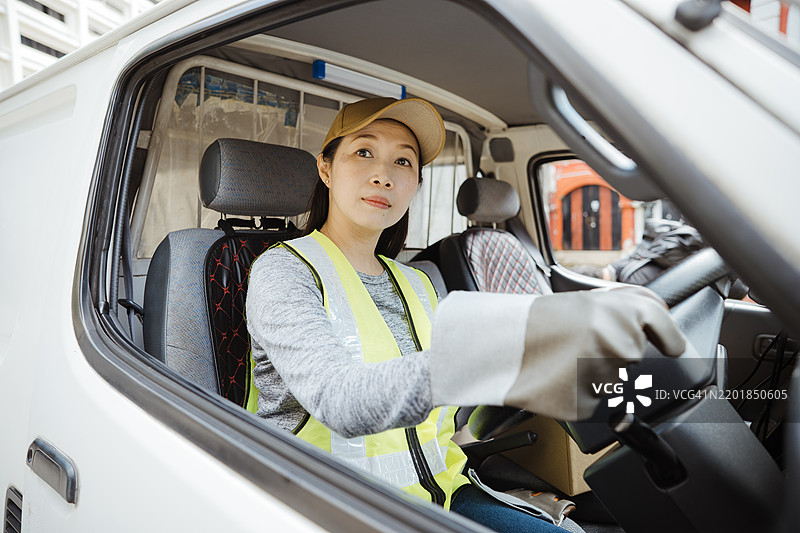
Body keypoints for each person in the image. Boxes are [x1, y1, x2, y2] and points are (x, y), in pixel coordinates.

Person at [246, 97, 686, 532]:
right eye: (364, 152)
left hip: (446, 493)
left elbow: (452, 415)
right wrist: (521, 344)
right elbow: (340, 400)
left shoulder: (419, 282)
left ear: (416, 182)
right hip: (333, 506)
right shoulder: (283, 272)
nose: (383, 175)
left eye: (403, 162)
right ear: (326, 168)